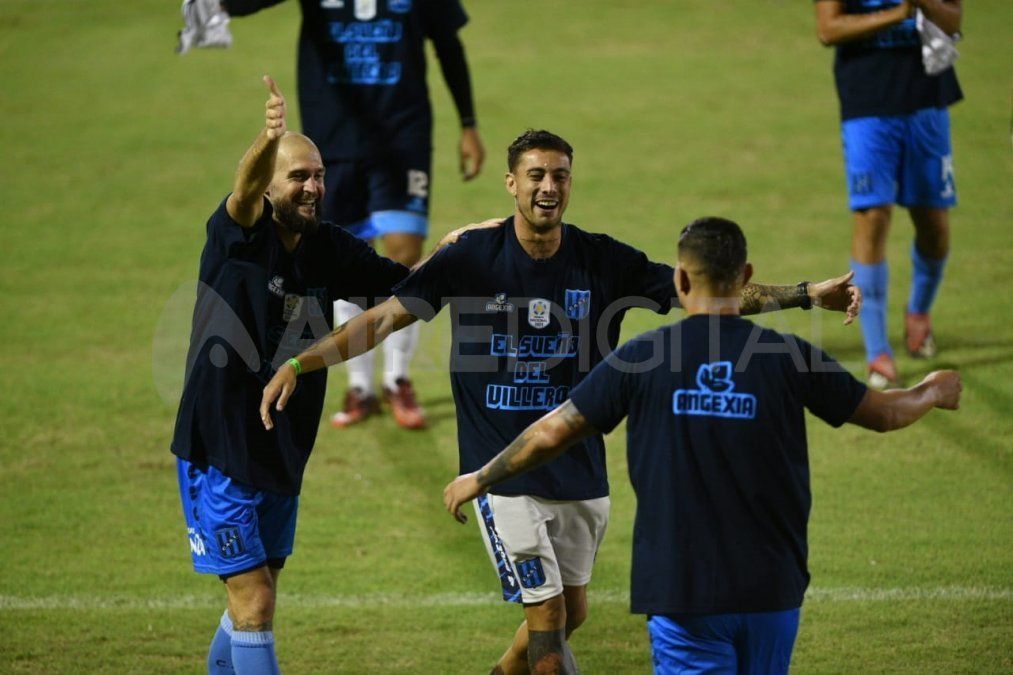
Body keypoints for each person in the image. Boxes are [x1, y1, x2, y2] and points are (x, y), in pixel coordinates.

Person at [260, 130, 861, 674]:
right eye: (536, 176)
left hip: (580, 472)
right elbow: (385, 318)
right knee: (547, 627)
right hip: (501, 473)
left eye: (560, 176)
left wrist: (807, 294)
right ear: (512, 183)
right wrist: (300, 361)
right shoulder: (469, 257)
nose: (548, 187)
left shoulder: (602, 259)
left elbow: (712, 293)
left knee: (572, 614)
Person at [443, 216, 962, 674]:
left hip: (681, 590)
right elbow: (885, 414)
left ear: (681, 279)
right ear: (747, 276)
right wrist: (932, 389)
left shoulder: (638, 360)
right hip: (772, 588)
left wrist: (480, 477)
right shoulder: (788, 356)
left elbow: (552, 431)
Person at [171, 76, 485, 674]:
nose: (314, 186)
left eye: (318, 174)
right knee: (255, 599)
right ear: (268, 184)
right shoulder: (237, 235)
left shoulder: (329, 247)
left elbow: (406, 293)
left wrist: (451, 251)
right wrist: (267, 140)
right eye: (298, 176)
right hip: (220, 447)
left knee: (254, 601)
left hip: (282, 448)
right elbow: (241, 189)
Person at [221, 0, 486, 429]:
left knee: (402, 255)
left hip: (403, 138)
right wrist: (217, 6)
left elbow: (448, 44)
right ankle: (359, 387)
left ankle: (397, 378)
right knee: (345, 258)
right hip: (333, 143)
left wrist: (468, 123)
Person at [815, 0, 963, 389]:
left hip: (927, 98)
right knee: (872, 217)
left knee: (934, 224)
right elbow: (828, 29)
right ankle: (878, 352)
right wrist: (897, 14)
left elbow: (953, 19)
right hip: (867, 102)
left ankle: (918, 311)